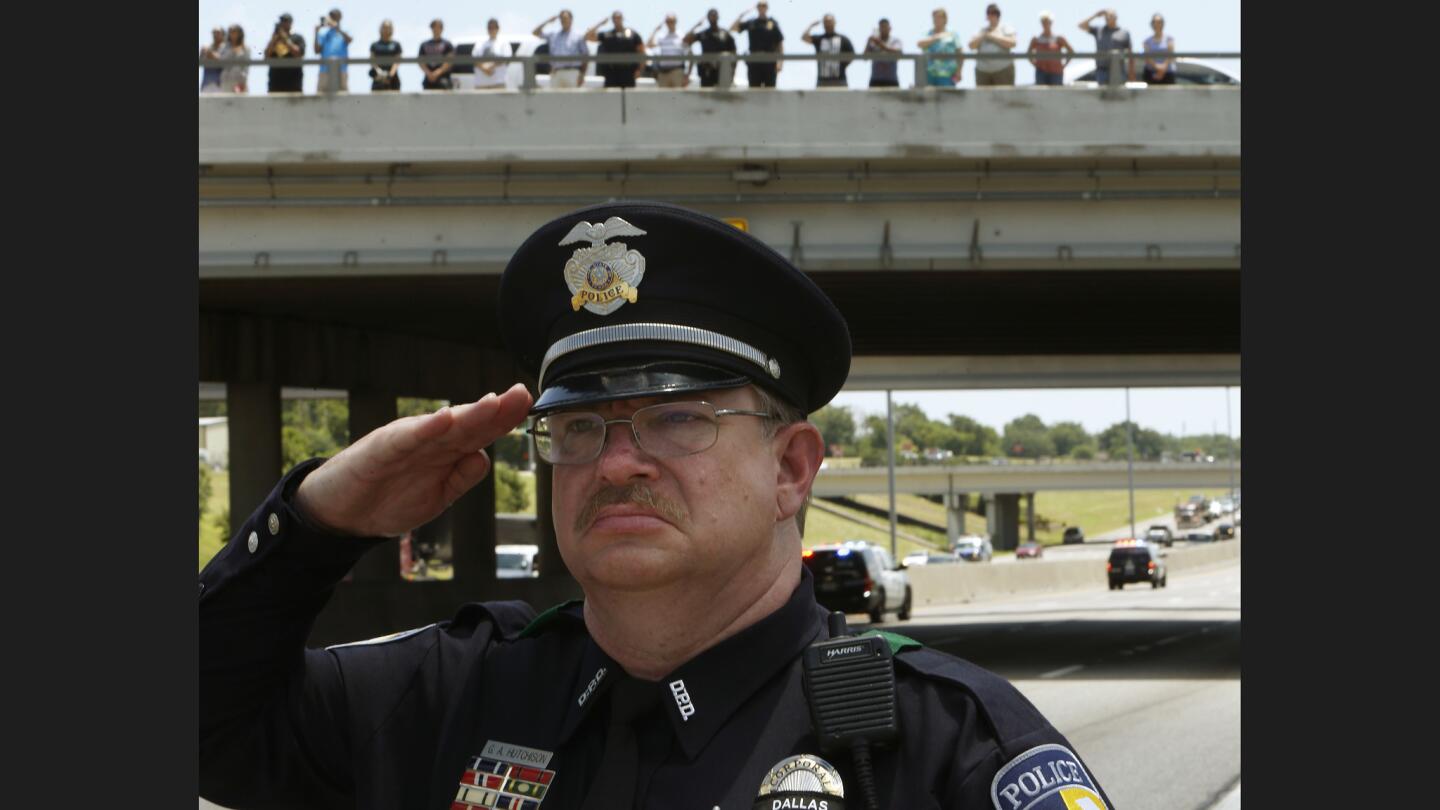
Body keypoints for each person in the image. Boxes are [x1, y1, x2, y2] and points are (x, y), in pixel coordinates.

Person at [198, 201, 1114, 810]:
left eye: (677, 419)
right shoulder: (461, 691)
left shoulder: (937, 745)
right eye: (582, 428)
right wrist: (312, 523)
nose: (618, 462)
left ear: (792, 469)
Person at [731, 2, 784, 88]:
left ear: (767, 8)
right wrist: (741, 16)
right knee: (754, 88)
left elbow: (780, 44)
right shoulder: (752, 22)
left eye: (764, 6)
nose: (761, 8)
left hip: (769, 61)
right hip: (754, 60)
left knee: (770, 89)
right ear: (757, 8)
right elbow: (733, 28)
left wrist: (780, 62)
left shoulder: (772, 23)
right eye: (759, 5)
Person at [533, 10, 591, 89]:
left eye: (566, 18)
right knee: (555, 100)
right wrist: (547, 21)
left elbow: (586, 56)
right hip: (556, 72)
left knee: (573, 100)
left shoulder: (579, 36)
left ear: (571, 19)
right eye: (562, 19)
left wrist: (582, 74)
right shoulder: (553, 35)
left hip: (573, 73)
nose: (564, 21)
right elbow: (535, 32)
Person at [588, 11, 645, 89]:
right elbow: (588, 37)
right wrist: (600, 24)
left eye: (619, 18)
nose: (617, 20)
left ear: (622, 19)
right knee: (612, 98)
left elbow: (641, 53)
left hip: (628, 72)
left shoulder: (633, 34)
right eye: (614, 18)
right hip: (611, 72)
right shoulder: (607, 35)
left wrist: (640, 70)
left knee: (628, 98)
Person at [684, 8, 736, 88]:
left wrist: (732, 72)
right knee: (706, 96)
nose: (713, 18)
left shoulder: (725, 34)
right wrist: (696, 26)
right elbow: (686, 40)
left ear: (718, 17)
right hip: (707, 71)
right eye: (711, 16)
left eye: (715, 16)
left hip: (722, 70)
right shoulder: (703, 34)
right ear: (708, 18)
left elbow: (733, 53)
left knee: (723, 96)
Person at [1079, 8, 1134, 84]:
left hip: (1119, 70)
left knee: (1119, 94)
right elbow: (1081, 25)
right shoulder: (1098, 30)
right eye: (1106, 16)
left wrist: (1131, 73)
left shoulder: (1124, 33)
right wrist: (1095, 15)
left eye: (1110, 16)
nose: (1107, 18)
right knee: (1103, 94)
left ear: (1116, 17)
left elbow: (1130, 54)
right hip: (1102, 70)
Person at [969, 3, 1017, 86]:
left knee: (1004, 97)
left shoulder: (1006, 28)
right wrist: (984, 36)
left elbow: (1012, 43)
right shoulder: (981, 30)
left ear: (998, 15)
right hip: (983, 71)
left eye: (994, 13)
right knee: (984, 98)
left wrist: (993, 37)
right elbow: (971, 45)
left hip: (1003, 70)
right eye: (989, 13)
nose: (991, 16)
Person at [801, 14, 855, 88]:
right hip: (822, 80)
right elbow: (804, 38)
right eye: (826, 22)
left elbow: (852, 55)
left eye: (830, 22)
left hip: (840, 80)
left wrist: (842, 65)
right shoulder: (819, 39)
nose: (828, 24)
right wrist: (811, 26)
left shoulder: (843, 39)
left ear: (834, 23)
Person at [916, 7, 963, 87]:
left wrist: (959, 71)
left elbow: (960, 53)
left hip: (947, 75)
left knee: (947, 98)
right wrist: (937, 37)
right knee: (929, 99)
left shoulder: (953, 34)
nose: (936, 20)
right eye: (934, 17)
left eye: (939, 17)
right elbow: (920, 44)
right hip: (929, 74)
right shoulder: (927, 34)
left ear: (945, 19)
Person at [1027, 10, 1072, 86]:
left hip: (1056, 72)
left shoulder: (1059, 39)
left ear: (1051, 23)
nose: (1045, 24)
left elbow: (1071, 52)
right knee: (1041, 94)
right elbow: (1028, 54)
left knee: (1056, 94)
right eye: (1043, 22)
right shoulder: (1036, 39)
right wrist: (1035, 64)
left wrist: (1064, 65)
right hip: (1041, 72)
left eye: (1047, 22)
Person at [314, 8, 354, 93]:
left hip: (341, 70)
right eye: (331, 16)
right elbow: (317, 51)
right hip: (325, 70)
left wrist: (337, 28)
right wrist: (316, 32)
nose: (332, 18)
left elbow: (349, 40)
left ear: (340, 17)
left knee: (343, 97)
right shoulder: (323, 33)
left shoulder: (344, 32)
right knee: (321, 98)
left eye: (334, 16)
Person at [265, 14, 306, 93]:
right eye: (282, 22)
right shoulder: (275, 40)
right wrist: (274, 39)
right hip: (275, 83)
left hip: (293, 83)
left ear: (291, 23)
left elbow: (298, 54)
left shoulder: (297, 38)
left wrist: (285, 38)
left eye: (286, 21)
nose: (283, 24)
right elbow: (266, 56)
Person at [648, 13, 689, 88]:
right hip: (663, 72)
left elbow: (688, 54)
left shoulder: (681, 36)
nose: (669, 24)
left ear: (675, 22)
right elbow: (649, 45)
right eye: (667, 21)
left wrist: (686, 75)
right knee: (663, 98)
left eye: (671, 21)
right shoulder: (662, 36)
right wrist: (655, 31)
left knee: (678, 97)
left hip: (677, 72)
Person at [864, 18, 902, 88]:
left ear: (889, 28)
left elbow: (898, 52)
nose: (883, 29)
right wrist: (868, 42)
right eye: (881, 27)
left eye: (885, 27)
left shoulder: (895, 41)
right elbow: (865, 58)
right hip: (875, 80)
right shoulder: (873, 42)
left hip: (891, 80)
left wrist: (880, 44)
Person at [420, 18, 456, 90]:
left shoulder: (447, 44)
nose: (436, 29)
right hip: (428, 80)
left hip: (444, 79)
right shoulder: (424, 44)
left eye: (438, 27)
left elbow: (449, 61)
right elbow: (421, 61)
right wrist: (429, 74)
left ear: (442, 29)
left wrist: (437, 73)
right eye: (434, 27)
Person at [475, 18, 509, 90]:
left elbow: (505, 59)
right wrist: (484, 69)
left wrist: (490, 67)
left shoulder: (504, 43)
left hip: (498, 83)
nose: (492, 30)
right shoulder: (479, 44)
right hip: (481, 84)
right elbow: (474, 59)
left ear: (498, 29)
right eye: (490, 28)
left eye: (494, 27)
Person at [1142, 13, 1176, 84]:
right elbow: (1147, 57)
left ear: (1163, 24)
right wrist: (1157, 68)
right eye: (1155, 22)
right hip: (1151, 73)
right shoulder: (1147, 41)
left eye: (1159, 22)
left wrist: (1163, 69)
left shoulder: (1169, 39)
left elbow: (1170, 55)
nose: (1157, 24)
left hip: (1168, 73)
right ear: (1152, 24)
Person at [369, 20, 402, 91]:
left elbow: (397, 61)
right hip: (378, 78)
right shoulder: (375, 45)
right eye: (384, 28)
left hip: (393, 79)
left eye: (388, 28)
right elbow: (372, 60)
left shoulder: (396, 44)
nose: (386, 30)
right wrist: (379, 73)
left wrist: (390, 76)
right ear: (380, 29)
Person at [218, 24, 249, 94]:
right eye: (231, 32)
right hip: (226, 81)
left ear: (240, 34)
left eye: (234, 32)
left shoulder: (246, 49)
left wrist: (243, 81)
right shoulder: (223, 47)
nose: (232, 34)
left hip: (240, 81)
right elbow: (221, 62)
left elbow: (246, 67)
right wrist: (232, 51)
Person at [200, 27, 225, 93]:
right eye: (214, 33)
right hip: (207, 84)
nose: (215, 35)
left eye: (218, 33)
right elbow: (201, 63)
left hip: (221, 85)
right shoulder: (208, 47)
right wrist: (202, 54)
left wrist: (211, 54)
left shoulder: (227, 48)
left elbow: (224, 63)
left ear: (223, 34)